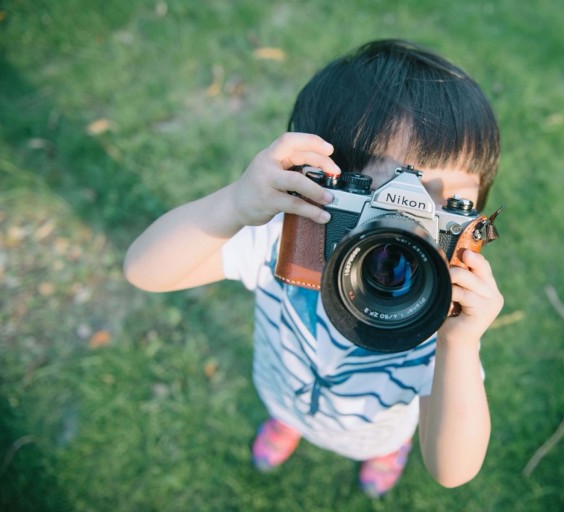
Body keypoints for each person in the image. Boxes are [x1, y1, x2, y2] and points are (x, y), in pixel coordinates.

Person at [124, 39, 503, 498]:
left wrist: (460, 343)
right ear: (321, 184)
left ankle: (384, 453)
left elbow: (452, 469)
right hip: (284, 392)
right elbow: (143, 270)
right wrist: (235, 204)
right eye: (380, 191)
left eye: (449, 202)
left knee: (384, 442)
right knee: (288, 412)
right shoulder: (287, 246)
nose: (412, 219)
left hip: (376, 429)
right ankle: (288, 425)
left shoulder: (441, 320)